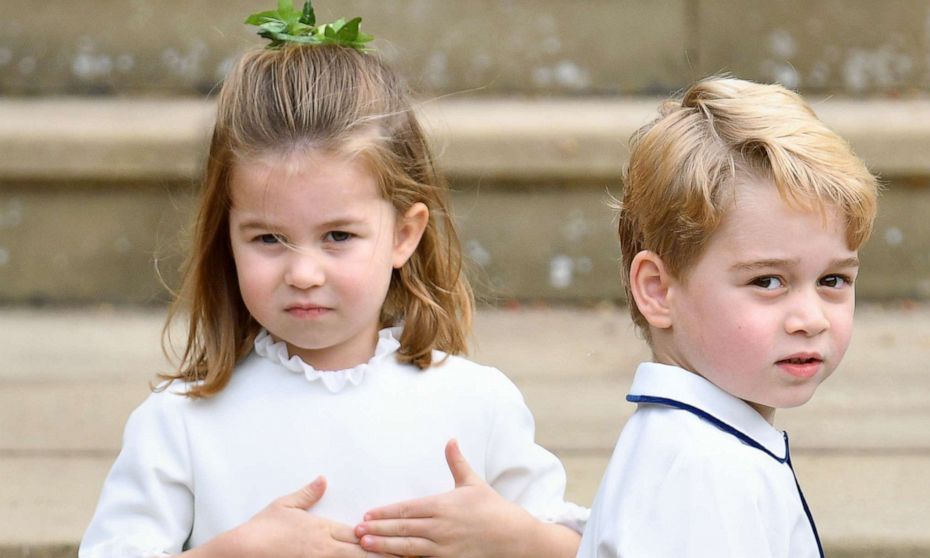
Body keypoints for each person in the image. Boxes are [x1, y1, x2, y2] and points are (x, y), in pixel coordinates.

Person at [79, 3, 585, 557]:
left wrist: (517, 540)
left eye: (338, 236)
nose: (302, 273)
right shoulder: (180, 423)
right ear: (226, 234)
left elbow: (595, 546)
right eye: (268, 239)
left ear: (403, 235)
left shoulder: (477, 403)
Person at [577, 77, 878, 557]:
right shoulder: (704, 472)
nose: (811, 319)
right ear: (657, 290)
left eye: (833, 281)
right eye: (767, 282)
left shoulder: (701, 446)